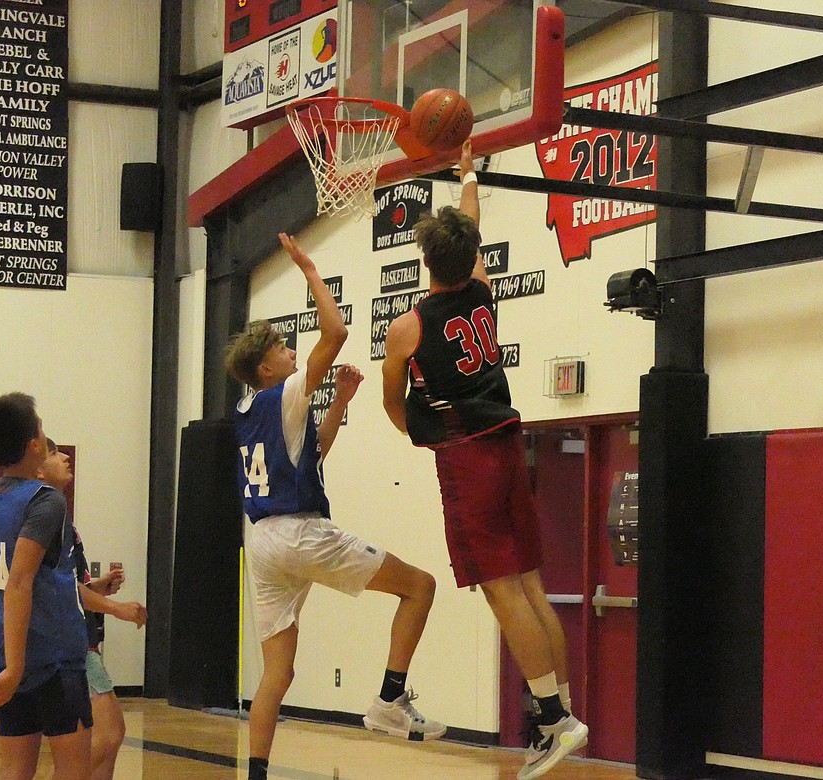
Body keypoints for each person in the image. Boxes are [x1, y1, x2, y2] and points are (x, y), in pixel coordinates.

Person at [381, 141, 589, 780]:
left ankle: (555, 720)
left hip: (467, 459)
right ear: (471, 255)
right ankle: (557, 718)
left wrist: (424, 430)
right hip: (506, 445)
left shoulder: (407, 328)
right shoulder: (483, 288)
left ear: (423, 258)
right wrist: (468, 171)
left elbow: (394, 406)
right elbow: (471, 225)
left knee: (503, 594)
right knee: (529, 584)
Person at [226, 232, 445, 780]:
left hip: (264, 545)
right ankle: (389, 699)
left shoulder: (248, 411)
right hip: (301, 533)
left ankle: (256, 773)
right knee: (420, 587)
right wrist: (307, 266)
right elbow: (338, 331)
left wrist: (342, 403)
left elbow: (311, 456)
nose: (293, 353)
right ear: (267, 369)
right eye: (282, 349)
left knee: (277, 672)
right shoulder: (286, 392)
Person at [0, 393, 92, 780]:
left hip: (0, 649)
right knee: (73, 770)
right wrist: (17, 665)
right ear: (34, 444)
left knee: (15, 769)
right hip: (47, 656)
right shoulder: (46, 500)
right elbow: (19, 581)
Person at [36, 437, 147, 780]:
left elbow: (68, 585)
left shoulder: (62, 521)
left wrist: (97, 588)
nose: (65, 457)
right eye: (55, 453)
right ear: (37, 468)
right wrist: (115, 608)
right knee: (106, 735)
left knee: (109, 738)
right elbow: (63, 590)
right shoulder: (45, 517)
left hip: (78, 641)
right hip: (70, 645)